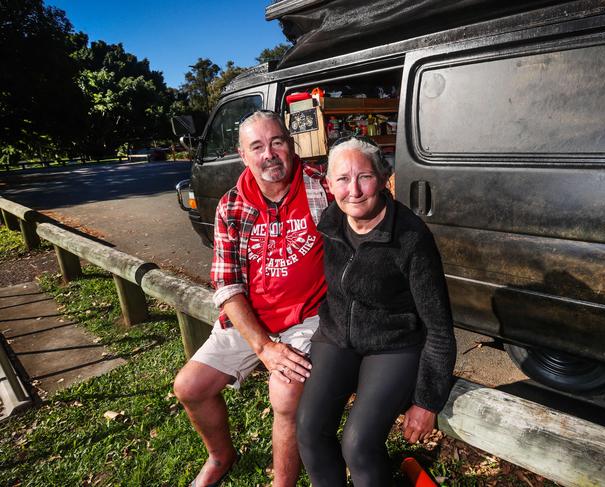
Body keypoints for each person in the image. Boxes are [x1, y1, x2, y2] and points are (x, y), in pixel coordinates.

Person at [173, 110, 331, 487]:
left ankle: (282, 483)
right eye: (257, 146)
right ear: (243, 155)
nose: (269, 154)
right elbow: (226, 286)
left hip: (307, 317)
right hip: (251, 320)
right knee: (189, 387)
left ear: (291, 146)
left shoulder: (321, 187)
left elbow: (366, 200)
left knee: (286, 391)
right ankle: (220, 456)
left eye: (277, 142)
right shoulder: (232, 205)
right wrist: (263, 347)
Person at [296, 136, 457, 487]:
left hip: (393, 344)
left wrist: (427, 400)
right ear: (329, 184)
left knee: (358, 445)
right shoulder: (332, 220)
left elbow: (440, 328)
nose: (353, 190)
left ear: (383, 179)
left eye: (364, 177)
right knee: (308, 429)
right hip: (337, 336)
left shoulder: (411, 238)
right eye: (342, 179)